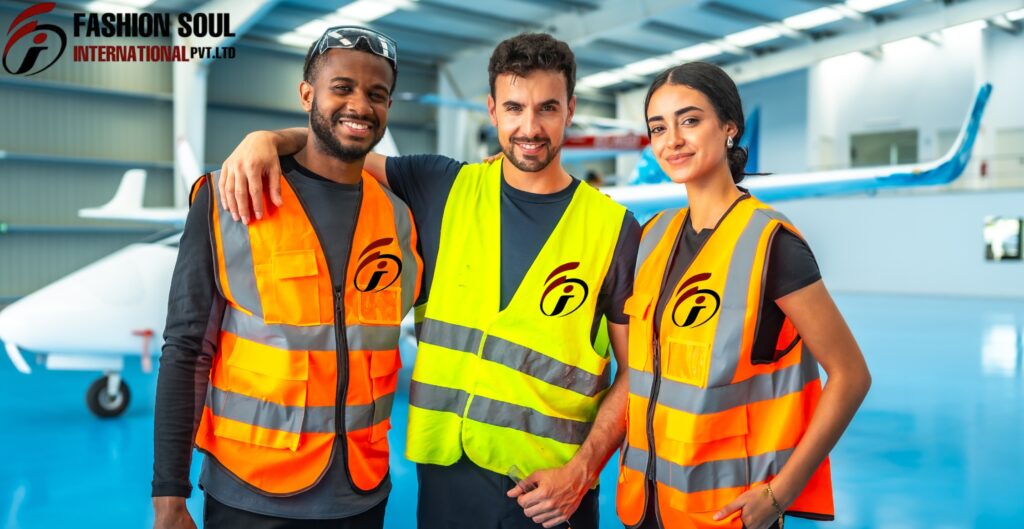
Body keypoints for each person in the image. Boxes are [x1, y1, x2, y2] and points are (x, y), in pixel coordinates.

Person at [218, 33, 641, 529]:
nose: (530, 127)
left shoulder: (614, 229)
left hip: (549, 496)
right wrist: (265, 140)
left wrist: (582, 470)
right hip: (444, 484)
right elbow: (336, 146)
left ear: (570, 110)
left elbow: (639, 372)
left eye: (547, 108)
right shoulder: (441, 186)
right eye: (514, 107)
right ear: (491, 110)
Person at [152, 26, 421, 529]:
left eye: (376, 94)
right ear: (306, 95)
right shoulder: (229, 199)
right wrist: (169, 495)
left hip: (362, 492)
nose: (359, 105)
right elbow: (187, 348)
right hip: (250, 495)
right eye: (342, 87)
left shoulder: (402, 218)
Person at [616, 62, 871, 529]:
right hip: (646, 505)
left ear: (729, 127)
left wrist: (781, 493)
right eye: (658, 127)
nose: (671, 140)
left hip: (726, 512)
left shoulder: (771, 243)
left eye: (689, 121)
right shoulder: (652, 237)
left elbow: (851, 375)